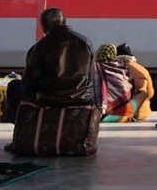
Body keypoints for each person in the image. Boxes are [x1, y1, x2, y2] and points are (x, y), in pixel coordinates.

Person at [6, 8, 97, 153]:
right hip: (80, 98)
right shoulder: (85, 42)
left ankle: (21, 137)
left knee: (14, 86)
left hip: (48, 99)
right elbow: (93, 76)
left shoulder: (39, 46)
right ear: (64, 21)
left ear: (44, 27)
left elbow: (29, 83)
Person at [94, 43, 134, 121]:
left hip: (104, 115)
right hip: (125, 113)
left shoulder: (94, 68)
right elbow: (131, 90)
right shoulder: (123, 68)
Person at [115, 43, 154, 121]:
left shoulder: (114, 70)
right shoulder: (142, 70)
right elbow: (150, 94)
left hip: (122, 115)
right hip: (142, 114)